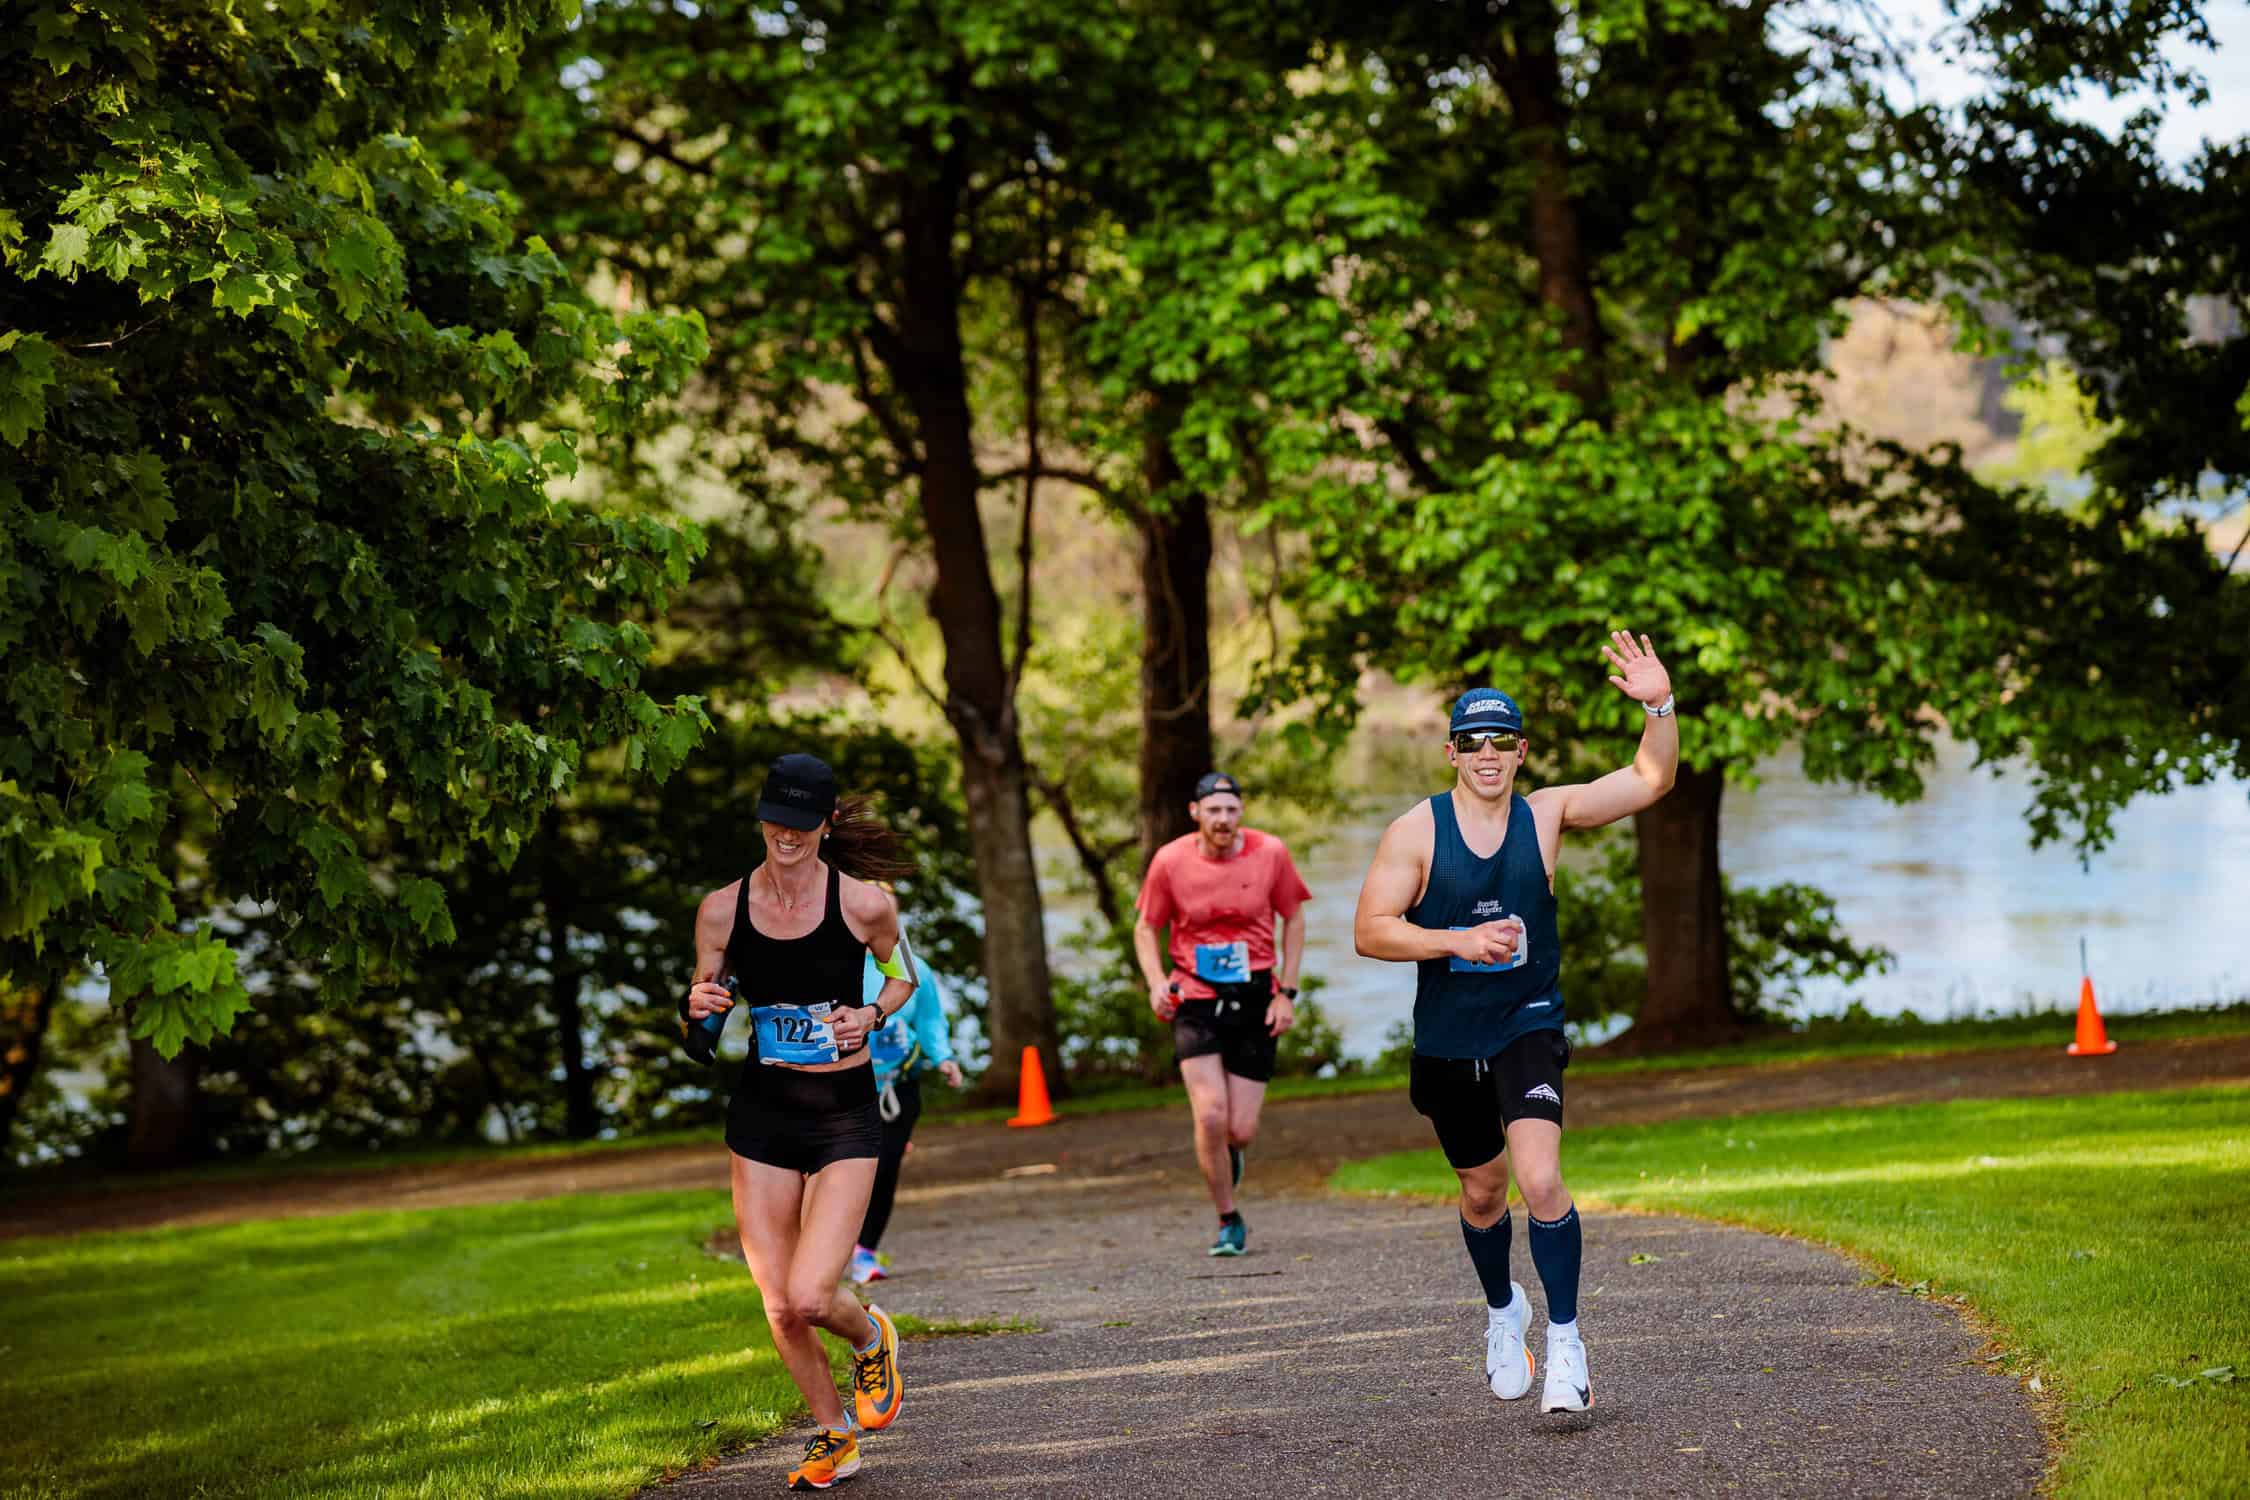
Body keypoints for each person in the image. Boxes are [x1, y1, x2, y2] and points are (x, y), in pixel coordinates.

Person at [1351, 632, 1676, 1416]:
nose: (1488, 754)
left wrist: (1660, 705)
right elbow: (1370, 930)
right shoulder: (1416, 832)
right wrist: (1455, 940)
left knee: (1540, 1180)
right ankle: (1505, 1311)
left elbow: (1650, 778)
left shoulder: (1547, 814)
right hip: (1448, 1039)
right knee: (1483, 1191)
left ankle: (1566, 1344)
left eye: (1502, 741)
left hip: (1527, 1023)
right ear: (1452, 754)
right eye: (1473, 742)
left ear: (1522, 751)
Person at [681, 752, 921, 1491]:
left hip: (844, 1114)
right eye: (775, 821)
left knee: (815, 1295)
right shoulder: (721, 909)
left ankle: (870, 1335)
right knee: (781, 1305)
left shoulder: (864, 905)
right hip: (763, 1115)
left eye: (801, 822)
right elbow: (700, 1024)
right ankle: (835, 1434)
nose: (786, 835)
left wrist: (871, 1014)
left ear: (827, 821)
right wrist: (696, 1008)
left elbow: (904, 976)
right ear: (761, 817)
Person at [1133, 770, 1312, 1257]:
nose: (1223, 819)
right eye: (1213, 810)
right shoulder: (1170, 861)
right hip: (1195, 996)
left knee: (1240, 1130)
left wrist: (1286, 993)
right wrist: (1156, 983)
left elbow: (1294, 917)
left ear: (1241, 812)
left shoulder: (1270, 852)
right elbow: (1146, 927)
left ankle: (1228, 1153)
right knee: (1210, 1114)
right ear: (1195, 812)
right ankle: (1228, 1218)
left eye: (1231, 810)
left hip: (1255, 996)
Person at [848, 930, 967, 1285]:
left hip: (897, 1089)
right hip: (842, 1089)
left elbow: (930, 1019)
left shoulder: (915, 968)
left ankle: (864, 1252)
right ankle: (821, 1250)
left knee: (884, 1170)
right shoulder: (834, 965)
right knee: (840, 1172)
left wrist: (943, 1057)